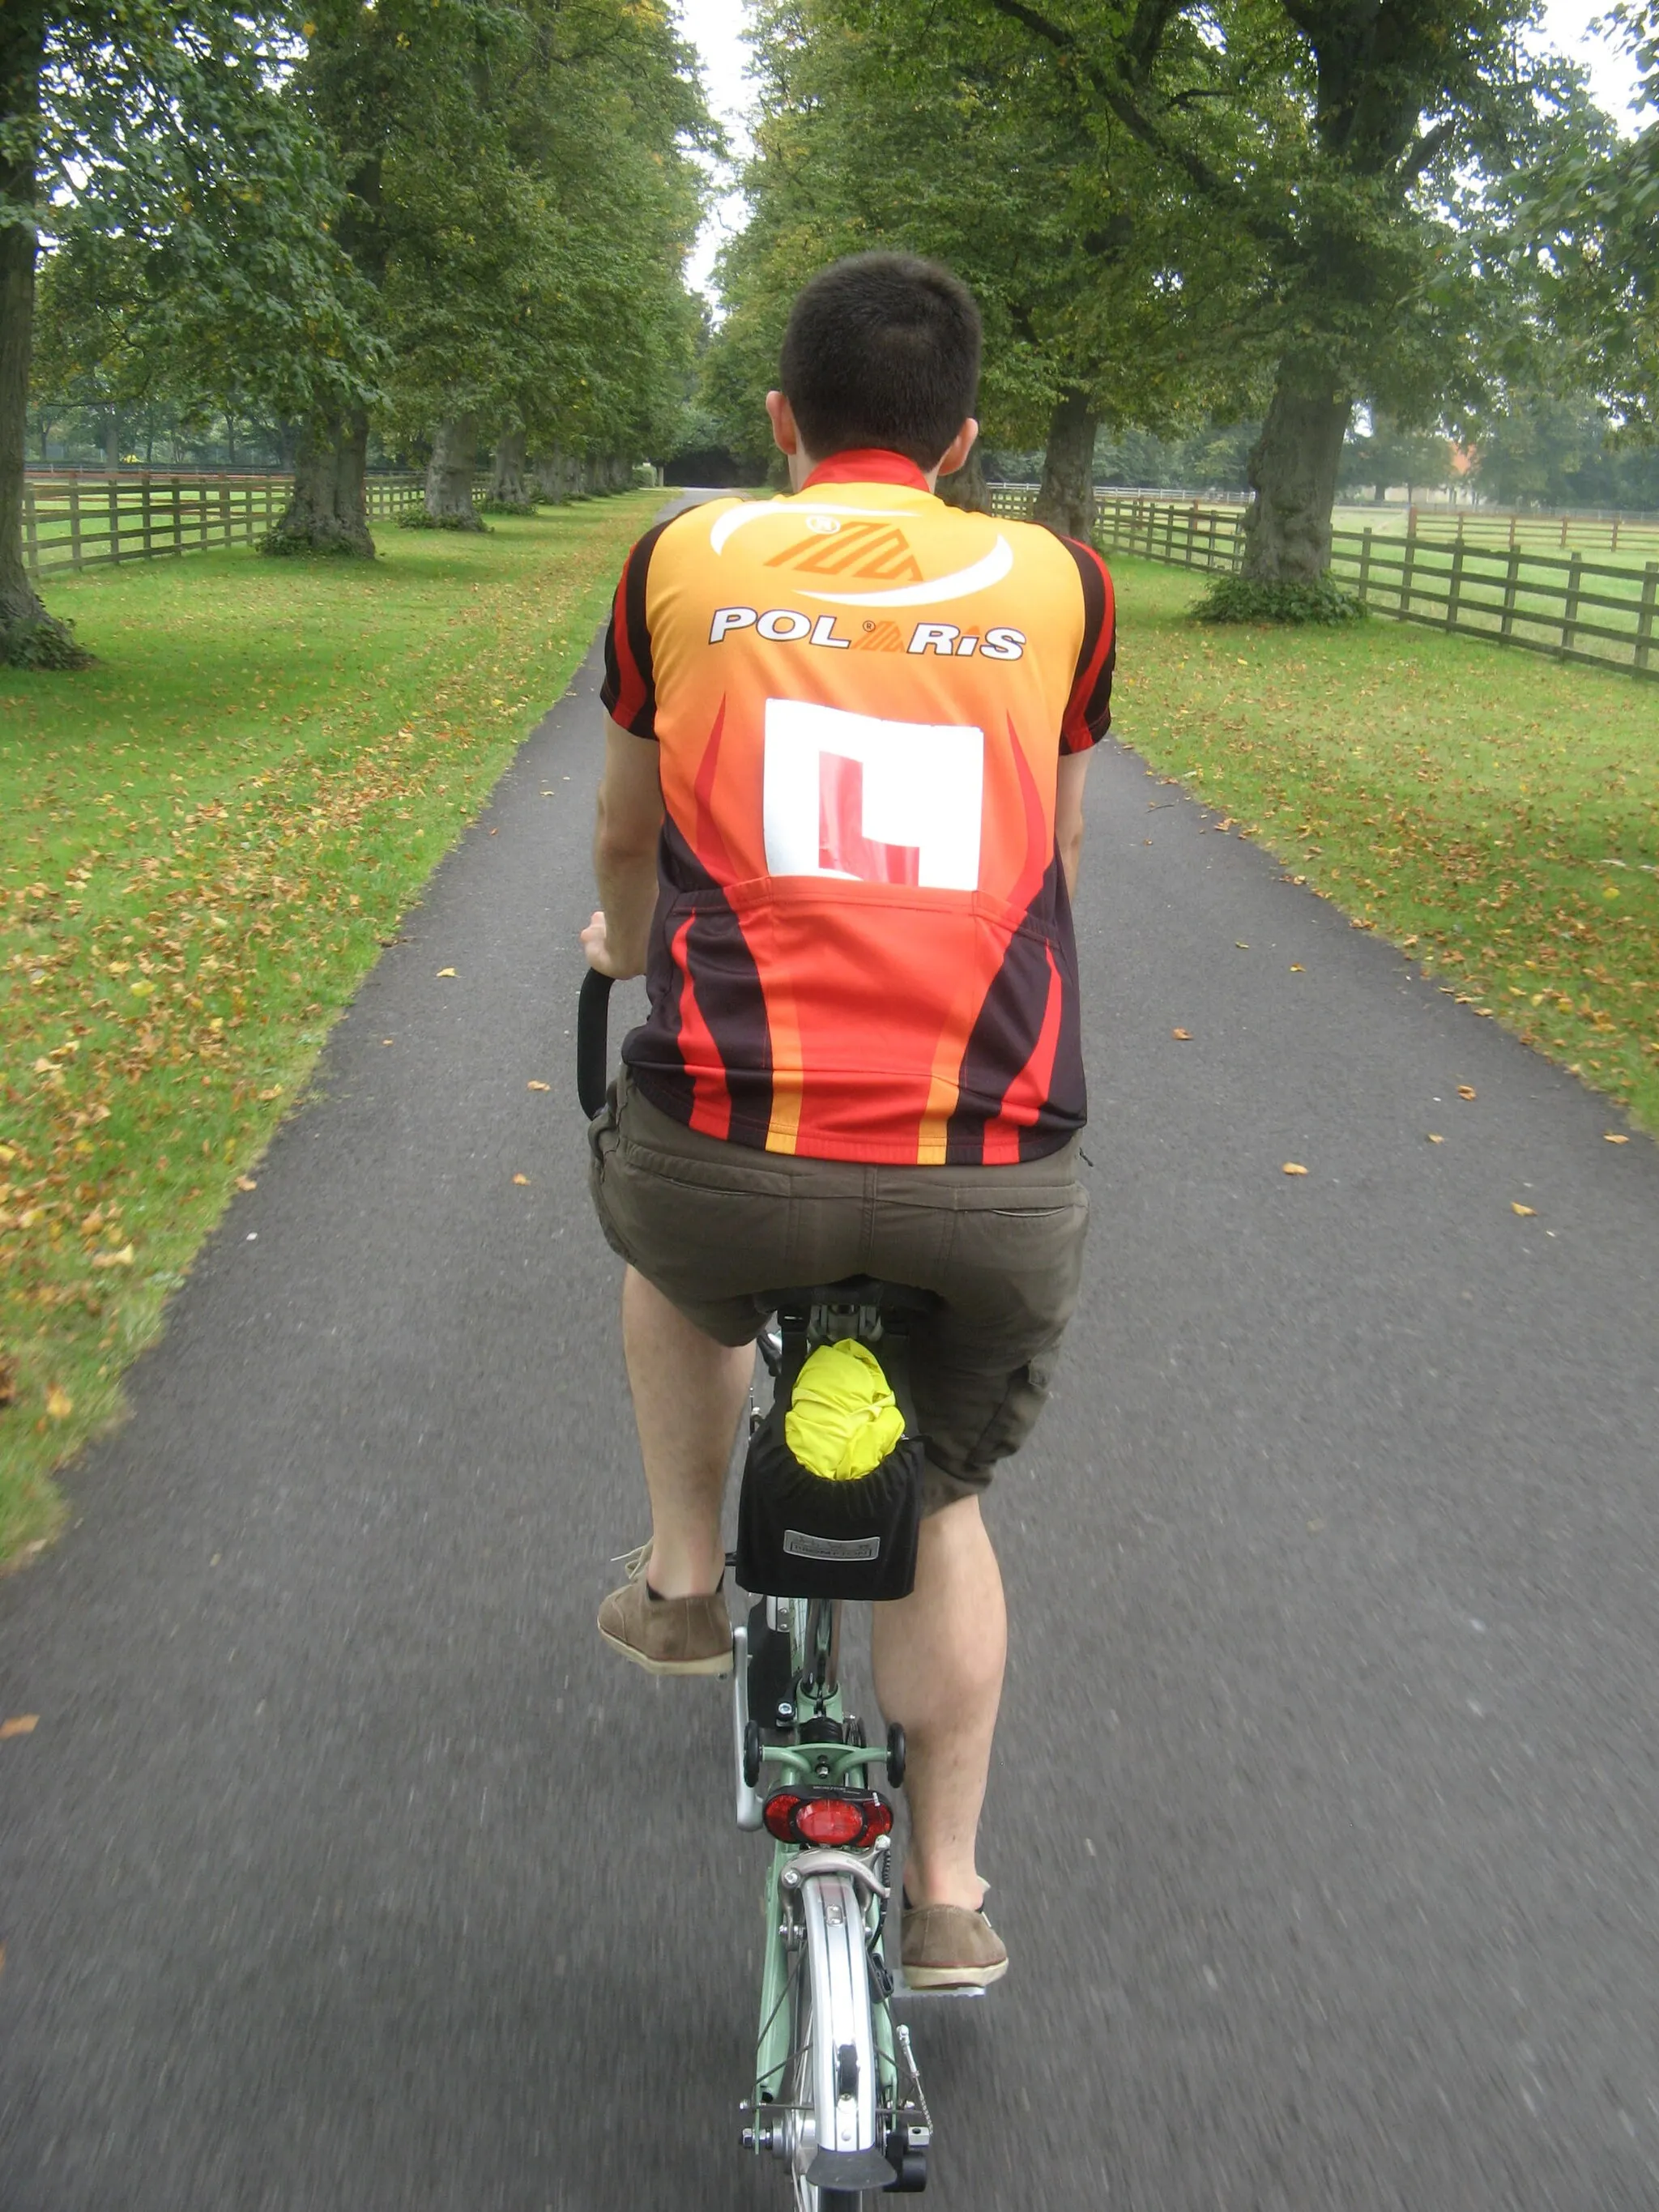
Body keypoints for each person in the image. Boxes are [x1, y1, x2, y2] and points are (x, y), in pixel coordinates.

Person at [582, 252, 1114, 1990]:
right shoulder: (1060, 586)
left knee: (663, 1228)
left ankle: (679, 1577)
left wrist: (617, 934)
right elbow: (1064, 853)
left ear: (777, 422)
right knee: (939, 1500)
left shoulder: (684, 557)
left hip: (730, 1159)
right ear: (963, 440)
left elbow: (627, 843)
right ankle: (947, 1895)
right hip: (985, 1167)